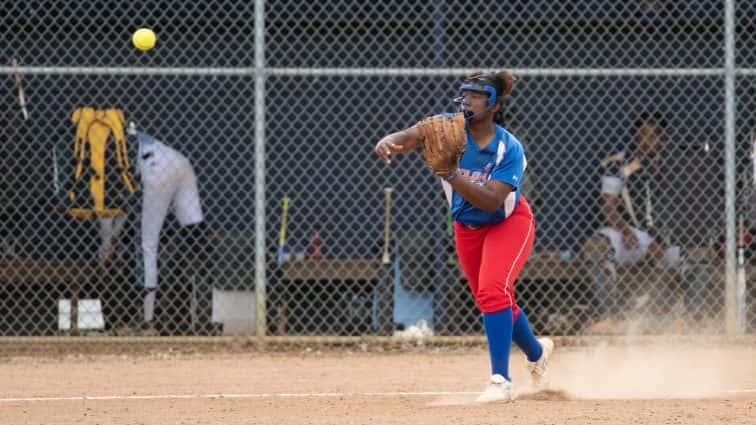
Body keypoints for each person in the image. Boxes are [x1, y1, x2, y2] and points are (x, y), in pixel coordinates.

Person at [374, 70, 553, 402]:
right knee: (492, 299)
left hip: (508, 222)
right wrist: (389, 140)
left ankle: (500, 380)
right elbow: (410, 136)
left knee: (492, 292)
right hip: (467, 228)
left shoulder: (508, 148)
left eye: (477, 95)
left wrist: (451, 173)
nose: (467, 101)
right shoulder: (447, 128)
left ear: (494, 104)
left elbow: (490, 200)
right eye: (465, 94)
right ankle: (537, 352)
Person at [582, 112, 682, 320]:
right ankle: (610, 315)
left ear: (663, 138)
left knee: (694, 258)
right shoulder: (620, 163)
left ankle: (685, 319)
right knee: (596, 248)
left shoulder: (678, 163)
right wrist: (627, 232)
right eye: (641, 136)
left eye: (653, 136)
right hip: (635, 233)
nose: (646, 142)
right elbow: (608, 206)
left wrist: (662, 242)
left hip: (671, 237)